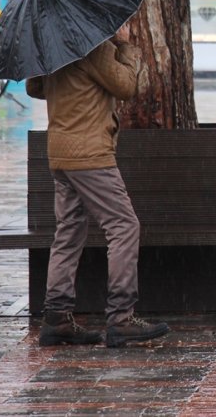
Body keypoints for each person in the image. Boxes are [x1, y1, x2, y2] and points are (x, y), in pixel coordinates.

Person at [26, 22, 170, 348]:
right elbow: (125, 85)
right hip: (90, 155)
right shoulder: (90, 44)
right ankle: (121, 318)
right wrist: (126, 46)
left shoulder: (54, 45)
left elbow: (35, 87)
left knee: (69, 231)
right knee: (123, 226)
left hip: (60, 154)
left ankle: (57, 318)